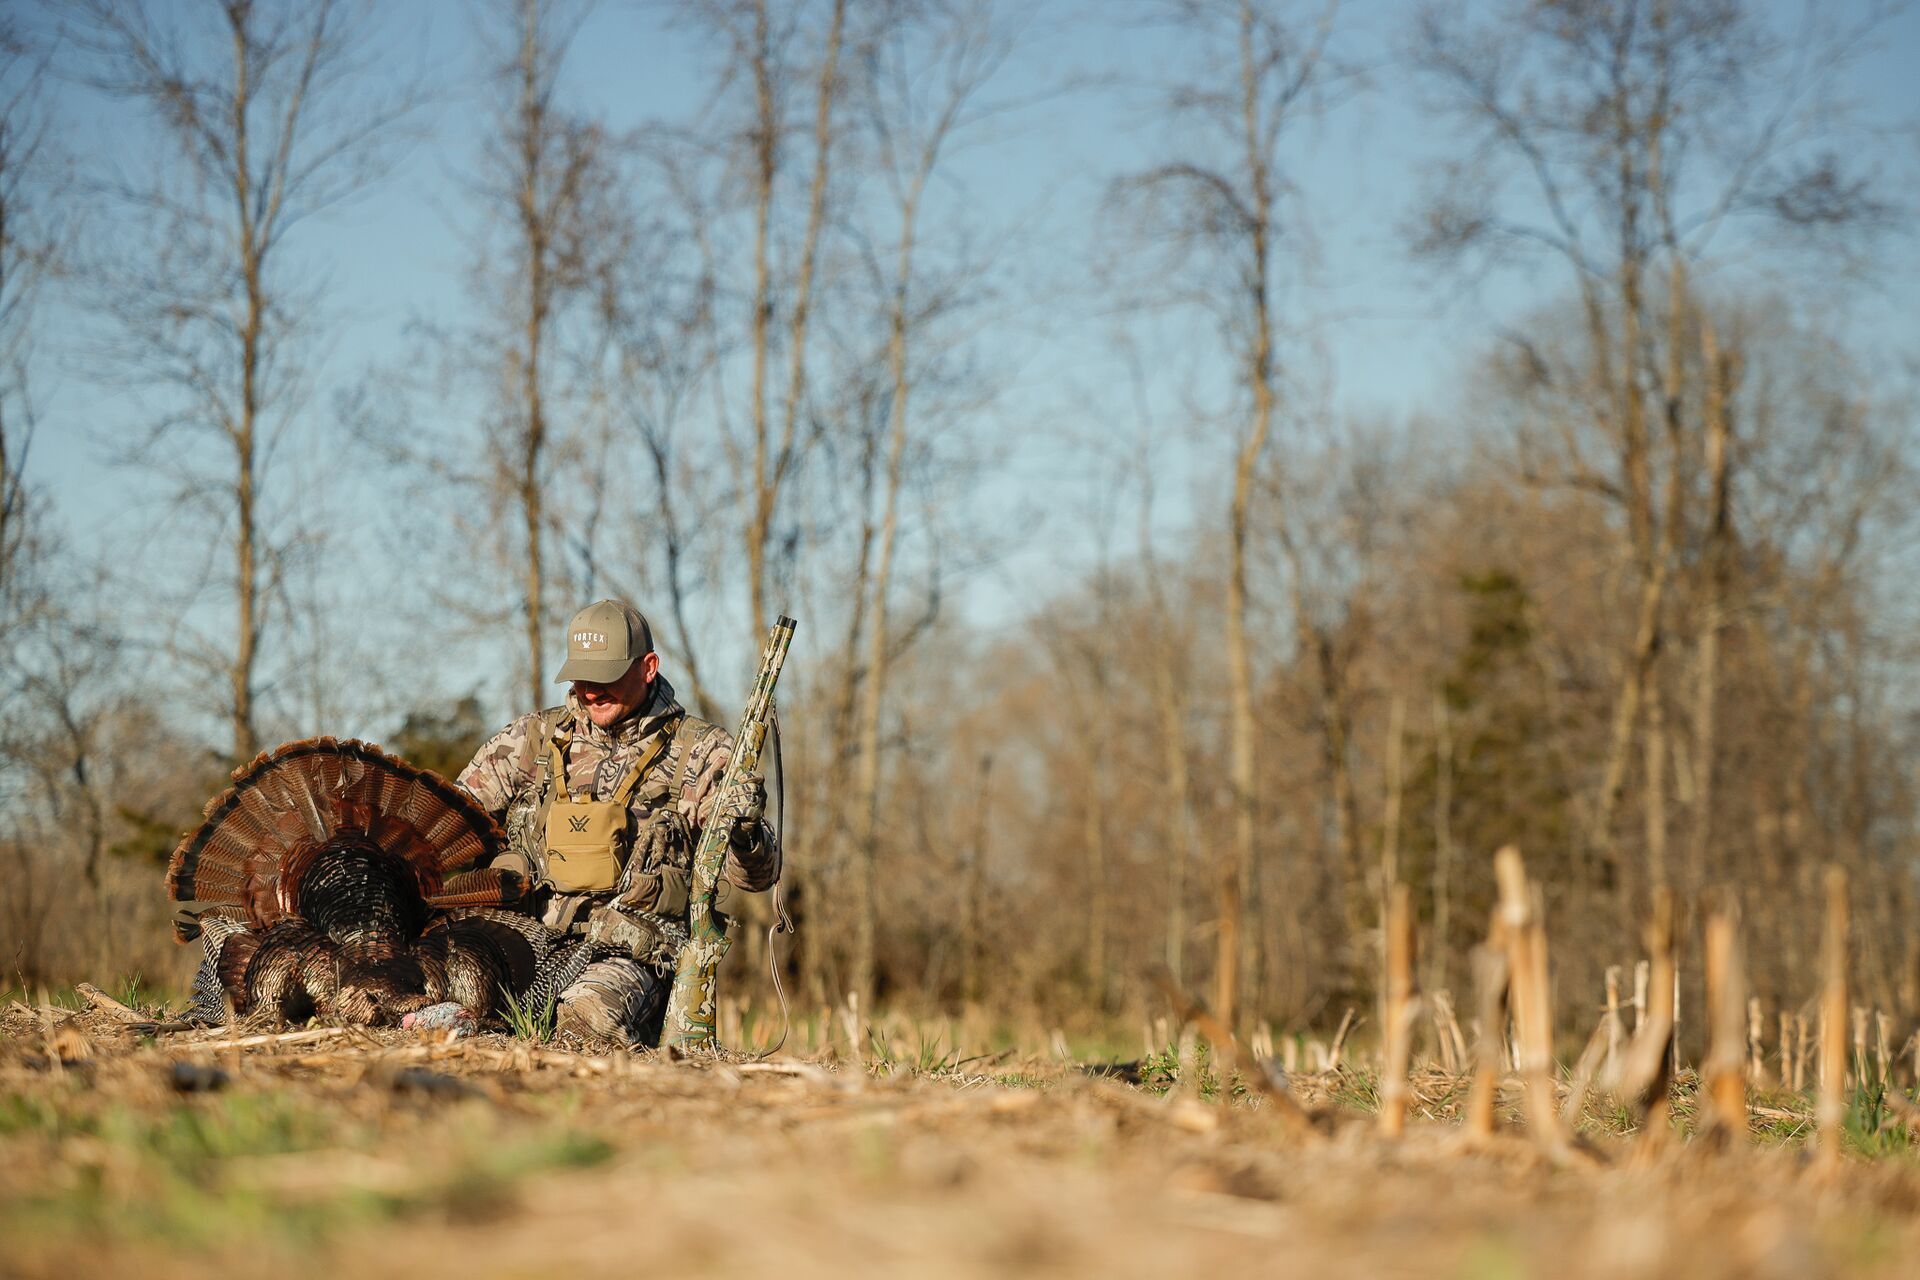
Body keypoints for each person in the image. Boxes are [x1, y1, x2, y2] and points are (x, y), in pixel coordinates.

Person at [456, 599, 778, 1043]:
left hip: (633, 956)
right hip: (523, 944)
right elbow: (446, 825)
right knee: (446, 1008)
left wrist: (744, 832)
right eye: (581, 677)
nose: (591, 690)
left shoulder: (702, 753)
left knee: (584, 1025)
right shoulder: (529, 740)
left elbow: (757, 878)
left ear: (648, 667)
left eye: (606, 676)